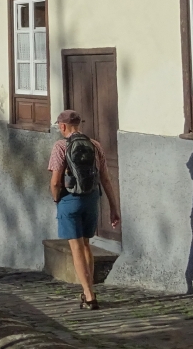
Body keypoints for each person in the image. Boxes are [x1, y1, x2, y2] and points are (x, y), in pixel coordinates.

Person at [48, 109, 120, 310]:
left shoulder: (60, 146)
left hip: (70, 200)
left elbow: (55, 182)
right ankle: (89, 290)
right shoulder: (95, 145)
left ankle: (89, 295)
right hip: (91, 199)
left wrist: (57, 199)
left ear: (62, 126)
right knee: (87, 244)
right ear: (79, 124)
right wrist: (113, 207)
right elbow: (105, 178)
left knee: (76, 246)